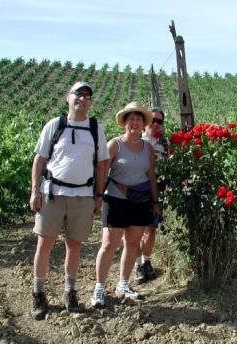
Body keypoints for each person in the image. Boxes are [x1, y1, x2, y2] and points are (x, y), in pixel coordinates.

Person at [29, 81, 110, 320]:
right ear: (68, 97)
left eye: (87, 96)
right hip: (53, 194)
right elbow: (39, 160)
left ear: (90, 102)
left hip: (83, 197)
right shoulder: (55, 125)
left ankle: (69, 292)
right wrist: (35, 191)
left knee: (74, 246)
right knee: (44, 245)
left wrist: (98, 195)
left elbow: (103, 163)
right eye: (79, 94)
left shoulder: (96, 128)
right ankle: (38, 292)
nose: (83, 99)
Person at [91, 101, 161, 308]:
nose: (135, 122)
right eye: (131, 119)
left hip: (140, 202)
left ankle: (123, 283)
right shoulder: (115, 144)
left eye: (139, 119)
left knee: (132, 244)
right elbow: (102, 171)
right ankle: (99, 288)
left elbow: (151, 176)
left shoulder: (147, 148)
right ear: (124, 122)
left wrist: (155, 201)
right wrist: (97, 195)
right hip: (115, 201)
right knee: (108, 244)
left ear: (143, 124)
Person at [134, 108, 168, 284]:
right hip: (137, 189)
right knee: (135, 230)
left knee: (151, 229)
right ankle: (138, 265)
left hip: (157, 190)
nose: (155, 124)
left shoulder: (164, 143)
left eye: (159, 121)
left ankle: (146, 261)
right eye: (152, 120)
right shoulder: (137, 140)